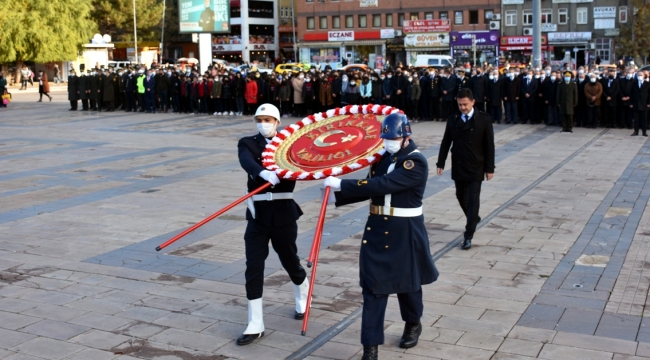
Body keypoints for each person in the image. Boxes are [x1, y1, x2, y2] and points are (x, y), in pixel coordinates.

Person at [322, 113, 439, 360]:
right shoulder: (383, 159)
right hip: (377, 228)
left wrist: (342, 184)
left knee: (408, 286)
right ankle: (370, 347)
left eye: (394, 138)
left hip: (404, 231)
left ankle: (413, 322)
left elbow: (383, 185)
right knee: (373, 288)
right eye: (386, 138)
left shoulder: (415, 163)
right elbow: (370, 185)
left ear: (407, 136)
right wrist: (335, 195)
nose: (389, 143)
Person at [236, 103, 308, 346]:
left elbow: (304, 164)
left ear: (277, 122)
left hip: (283, 213)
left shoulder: (289, 145)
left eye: (268, 119)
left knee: (290, 260)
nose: (263, 123)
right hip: (257, 214)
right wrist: (263, 173)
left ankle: (302, 293)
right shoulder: (248, 142)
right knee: (253, 266)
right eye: (259, 119)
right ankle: (255, 322)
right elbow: (246, 161)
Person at [436, 88, 495, 250]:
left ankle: (468, 234)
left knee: (473, 199)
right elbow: (446, 142)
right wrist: (440, 163)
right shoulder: (453, 119)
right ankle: (473, 218)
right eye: (460, 105)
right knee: (460, 196)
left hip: (476, 166)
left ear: (473, 102)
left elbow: (489, 146)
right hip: (459, 165)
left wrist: (490, 168)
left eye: (465, 104)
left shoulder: (483, 119)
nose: (463, 108)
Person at [630, 71, 650, 136]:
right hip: (636, 104)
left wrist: (649, 103)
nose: (640, 76)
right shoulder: (634, 83)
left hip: (644, 103)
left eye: (641, 75)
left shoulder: (647, 84)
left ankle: (644, 132)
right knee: (636, 119)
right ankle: (636, 131)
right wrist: (631, 103)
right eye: (638, 75)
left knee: (644, 119)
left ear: (644, 76)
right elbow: (632, 94)